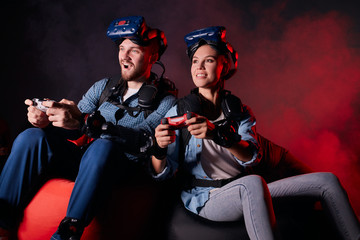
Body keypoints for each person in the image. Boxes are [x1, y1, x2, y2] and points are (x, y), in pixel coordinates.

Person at [151, 26, 360, 240]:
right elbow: (163, 172)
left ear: (224, 66)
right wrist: (158, 148)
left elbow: (252, 156)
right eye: (195, 61)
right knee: (252, 183)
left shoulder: (240, 111)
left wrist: (218, 135)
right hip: (208, 197)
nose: (199, 67)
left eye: (209, 60)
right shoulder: (179, 111)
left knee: (328, 181)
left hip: (248, 188)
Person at [0, 16, 176, 240]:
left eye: (134, 50)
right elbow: (75, 128)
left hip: (122, 168)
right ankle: (2, 225)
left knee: (103, 145)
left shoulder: (167, 103)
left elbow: (145, 140)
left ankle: (67, 234)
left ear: (153, 56)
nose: (125, 56)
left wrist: (91, 124)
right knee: (31, 136)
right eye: (122, 48)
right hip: (86, 161)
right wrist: (48, 120)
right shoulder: (103, 87)